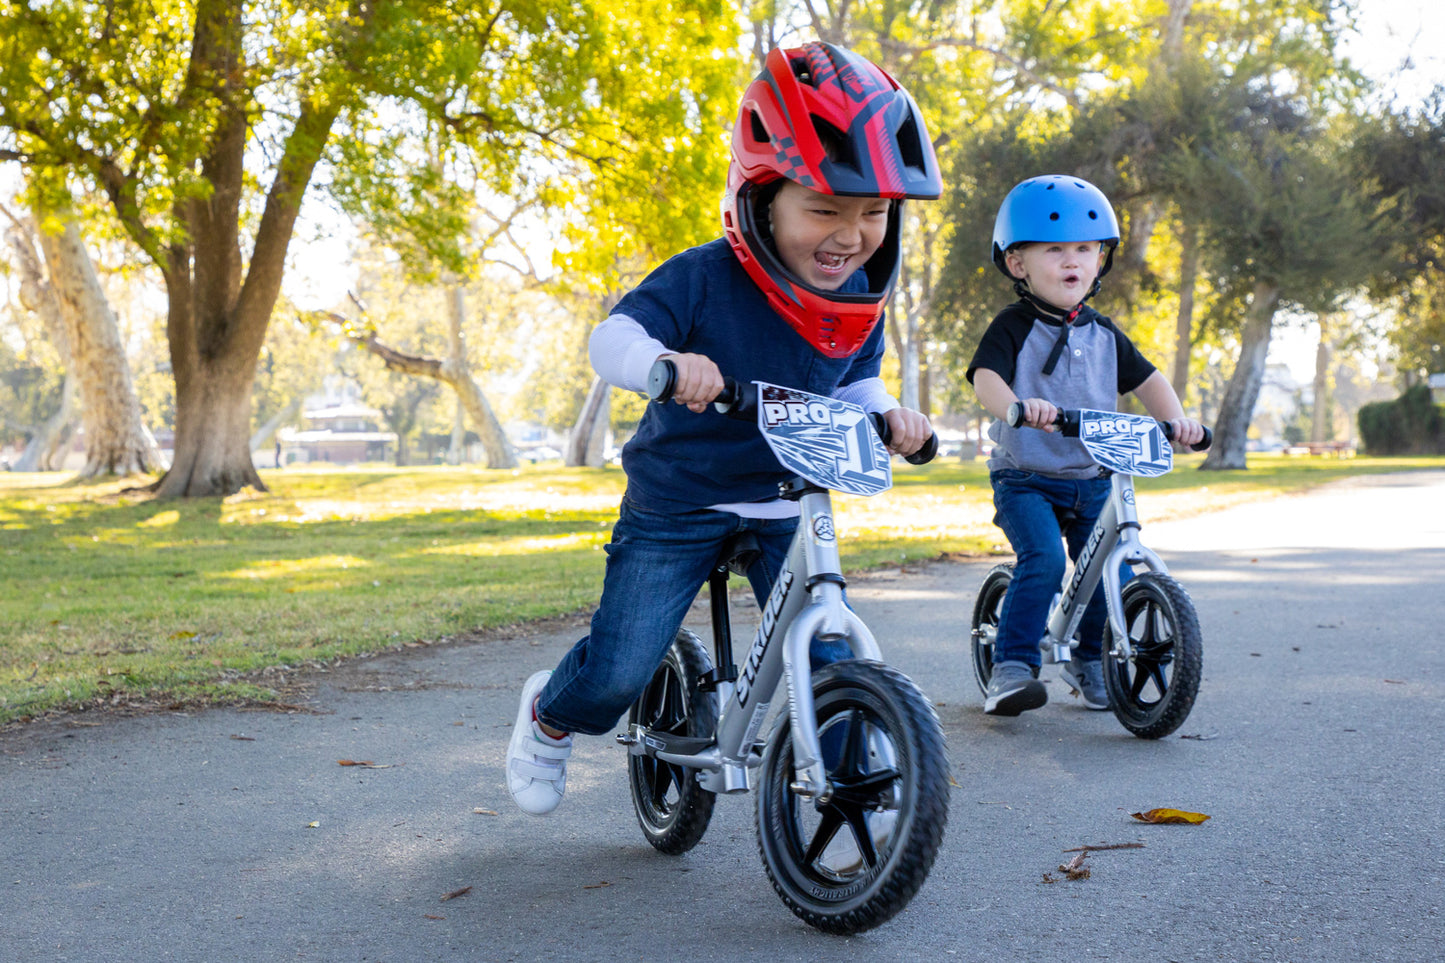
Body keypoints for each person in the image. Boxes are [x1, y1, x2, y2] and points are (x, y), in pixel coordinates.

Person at [506, 41, 941, 815]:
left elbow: (855, 381)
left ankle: (855, 770)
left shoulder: (858, 297)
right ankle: (550, 712)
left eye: (873, 213)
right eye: (824, 209)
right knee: (617, 671)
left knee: (829, 643)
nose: (850, 235)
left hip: (787, 498)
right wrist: (665, 363)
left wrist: (888, 414)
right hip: (679, 499)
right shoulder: (705, 276)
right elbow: (612, 338)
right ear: (760, 196)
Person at [965, 174, 1205, 717]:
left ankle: (1091, 661)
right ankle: (1012, 666)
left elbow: (1149, 381)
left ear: (1101, 260)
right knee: (1045, 560)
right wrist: (1016, 407)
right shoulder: (1013, 326)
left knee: (1106, 569)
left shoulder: (1104, 333)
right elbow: (985, 378)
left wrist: (1178, 422)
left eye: (1085, 249)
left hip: (1092, 477)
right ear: (1017, 263)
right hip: (1025, 477)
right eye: (1054, 250)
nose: (1072, 260)